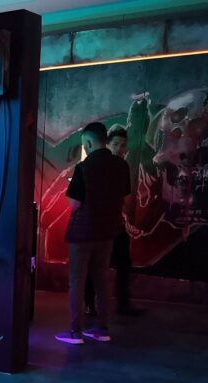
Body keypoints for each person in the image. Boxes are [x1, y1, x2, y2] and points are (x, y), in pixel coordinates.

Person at [56, 122, 130, 345]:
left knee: (77, 281)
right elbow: (124, 197)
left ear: (88, 142)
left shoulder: (84, 167)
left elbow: (74, 204)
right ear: (105, 140)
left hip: (82, 233)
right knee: (102, 280)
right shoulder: (121, 166)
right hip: (107, 232)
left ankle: (75, 332)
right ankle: (102, 329)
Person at [84, 127, 142, 317]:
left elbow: (123, 196)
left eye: (123, 146)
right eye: (116, 144)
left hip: (113, 222)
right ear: (107, 144)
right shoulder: (97, 164)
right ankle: (90, 304)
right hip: (98, 222)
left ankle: (121, 304)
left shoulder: (122, 166)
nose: (119, 149)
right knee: (95, 263)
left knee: (122, 262)